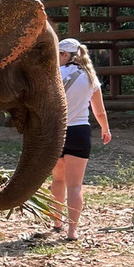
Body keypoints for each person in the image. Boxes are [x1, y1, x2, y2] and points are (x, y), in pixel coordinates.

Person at [50, 37, 111, 241]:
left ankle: (57, 221)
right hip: (80, 132)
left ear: (65, 55)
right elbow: (99, 111)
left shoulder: (53, 75)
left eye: (58, 54)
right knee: (75, 186)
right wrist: (105, 129)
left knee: (58, 179)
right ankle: (72, 231)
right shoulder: (90, 77)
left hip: (57, 132)